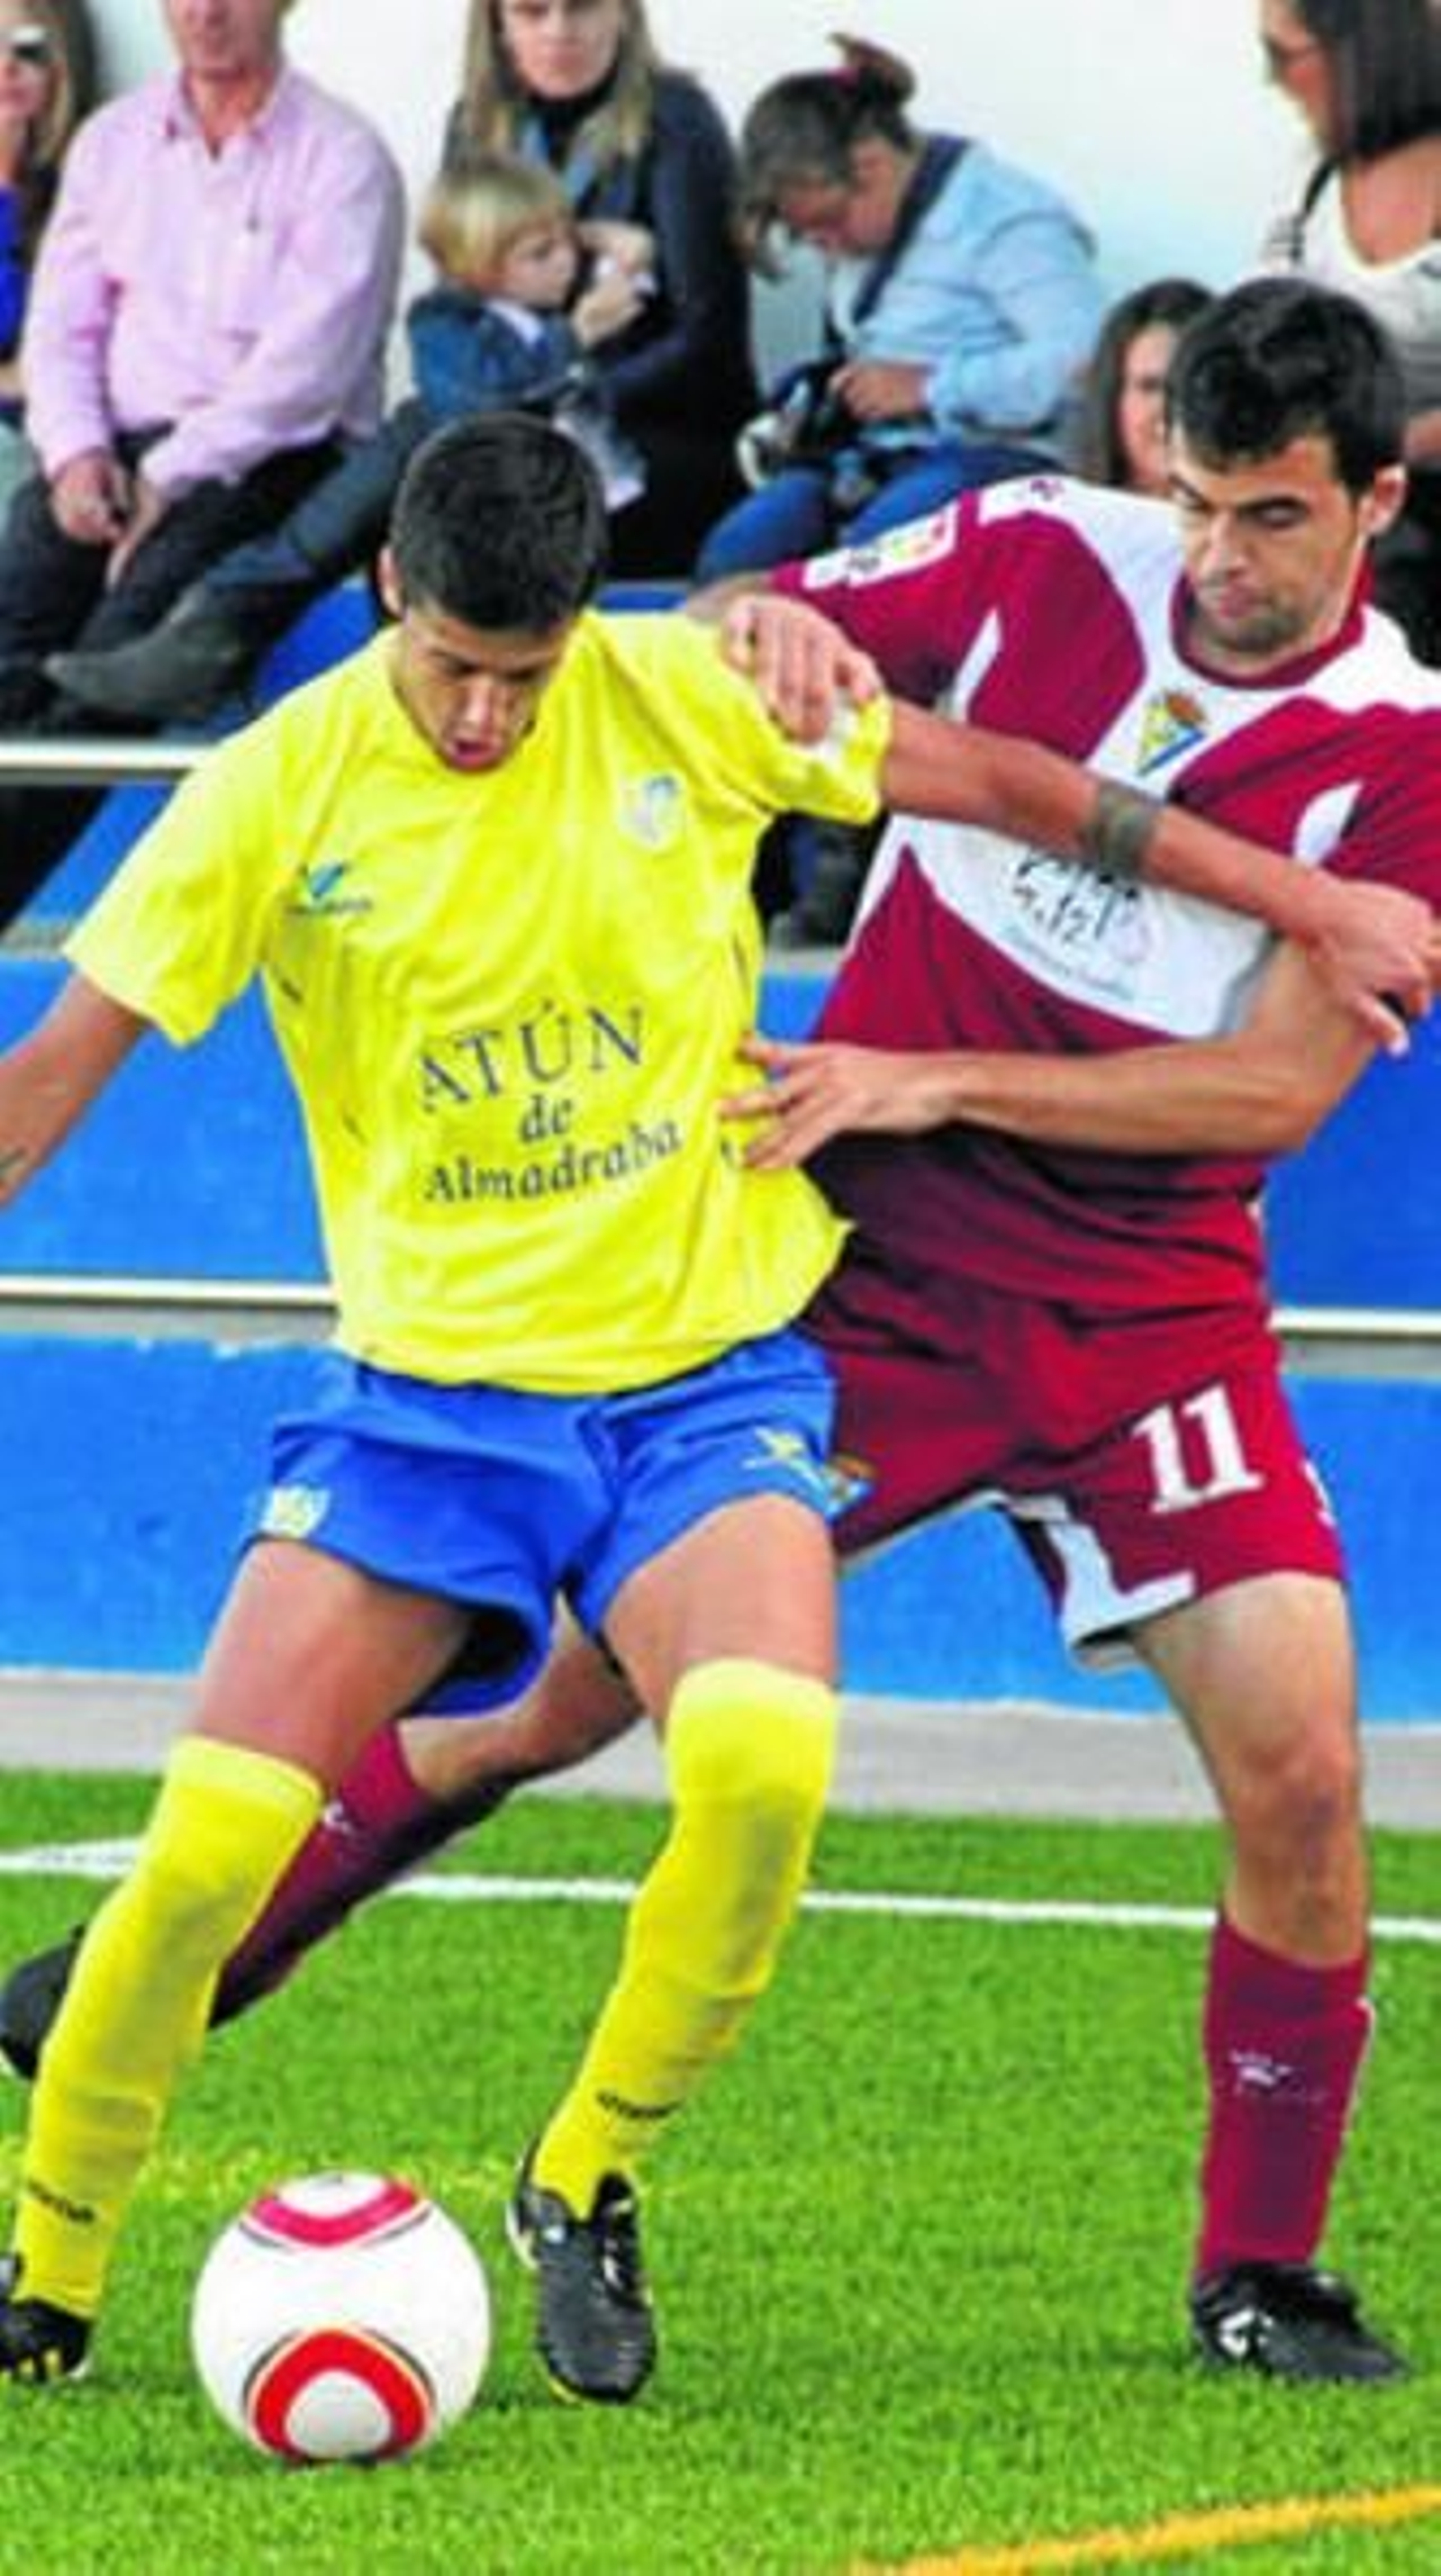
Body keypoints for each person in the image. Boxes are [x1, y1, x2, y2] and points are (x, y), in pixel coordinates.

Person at [35, 280, 1441, 2397]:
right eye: (1191, 502)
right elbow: (745, 626)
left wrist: (934, 1072)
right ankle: (168, 1975)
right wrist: (769, 613)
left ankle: (1259, 2264)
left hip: (1149, 1304)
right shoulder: (1051, 545)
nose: (1213, 560)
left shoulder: (1402, 755)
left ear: (1372, 503)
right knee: (551, 1703)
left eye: (1263, 519)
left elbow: (1263, 1094)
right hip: (862, 1254)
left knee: (1306, 1769)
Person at [0, 0, 404, 928]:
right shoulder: (115, 143)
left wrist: (167, 477)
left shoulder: (343, 157)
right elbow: (61, 327)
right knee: (16, 615)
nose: (205, 13)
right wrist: (75, 457)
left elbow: (307, 373)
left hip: (267, 457)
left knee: (120, 656)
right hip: (114, 451)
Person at [47, 153, 652, 727]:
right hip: (423, 478)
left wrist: (605, 251)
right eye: (540, 252)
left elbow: (625, 273)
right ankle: (191, 656)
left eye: (567, 244)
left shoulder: (547, 318)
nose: (566, 262)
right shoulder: (445, 319)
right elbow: (476, 405)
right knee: (306, 543)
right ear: (480, 268)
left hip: (498, 514)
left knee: (382, 543)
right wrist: (575, 336)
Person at [693, 34, 1104, 583]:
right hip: (874, 457)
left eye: (830, 223)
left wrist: (930, 387)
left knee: (876, 563)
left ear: (871, 167)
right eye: (808, 235)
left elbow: (1086, 361)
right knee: (738, 554)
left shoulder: (1009, 220)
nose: (827, 247)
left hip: (996, 454)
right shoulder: (860, 227)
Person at [445, 0, 755, 574]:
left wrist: (572, 397)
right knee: (408, 505)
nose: (560, 31)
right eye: (532, 12)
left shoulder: (677, 120)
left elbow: (706, 338)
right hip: (525, 415)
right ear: (497, 24)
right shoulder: (474, 123)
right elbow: (461, 315)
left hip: (655, 429)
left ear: (623, 14)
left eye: (583, 7)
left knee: (528, 516)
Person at [1257, 0, 1441, 661]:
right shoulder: (1310, 177)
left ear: (1359, 51)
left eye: (1282, 56)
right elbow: (1266, 319)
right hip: (1344, 469)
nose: (1270, 80)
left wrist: (1391, 444)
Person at [0, 0, 95, 518]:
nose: (6, 66)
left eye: (29, 49)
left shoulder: (86, 190)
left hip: (32, 443)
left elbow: (46, 370)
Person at [1067, 276, 1215, 496]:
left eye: (1193, 386)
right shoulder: (1063, 520)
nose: (1172, 410)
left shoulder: (1268, 525)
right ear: (1110, 398)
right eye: (1150, 387)